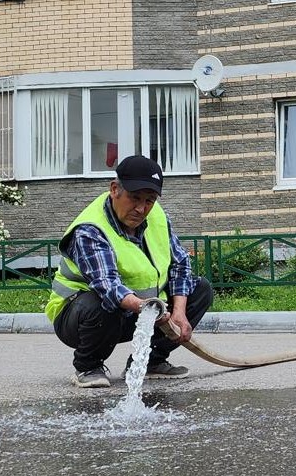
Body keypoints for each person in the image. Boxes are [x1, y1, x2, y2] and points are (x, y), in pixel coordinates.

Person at [46, 154, 214, 388]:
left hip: (138, 313)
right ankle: (87, 366)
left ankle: (150, 363)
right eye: (134, 198)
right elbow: (108, 285)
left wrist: (179, 313)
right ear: (115, 189)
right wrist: (148, 308)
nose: (141, 208)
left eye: (149, 200)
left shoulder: (157, 216)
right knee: (101, 302)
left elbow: (180, 264)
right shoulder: (90, 229)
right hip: (80, 317)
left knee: (201, 289)